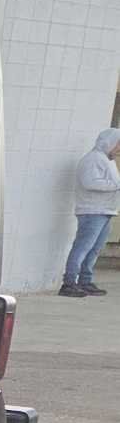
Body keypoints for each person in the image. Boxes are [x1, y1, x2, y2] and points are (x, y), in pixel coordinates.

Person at [62, 126, 120, 296]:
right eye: (118, 144)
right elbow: (90, 182)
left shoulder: (107, 161)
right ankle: (69, 283)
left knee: (94, 248)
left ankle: (85, 281)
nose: (119, 149)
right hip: (92, 211)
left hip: (105, 210)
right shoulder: (92, 159)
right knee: (82, 247)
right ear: (109, 142)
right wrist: (116, 186)